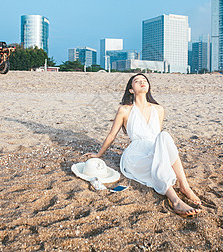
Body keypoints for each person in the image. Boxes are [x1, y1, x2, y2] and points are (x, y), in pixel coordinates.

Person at [85, 73, 202, 217]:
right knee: (156, 164)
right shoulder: (125, 110)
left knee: (164, 136)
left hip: (154, 148)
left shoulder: (158, 109)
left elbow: (158, 137)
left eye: (144, 80)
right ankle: (175, 200)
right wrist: (98, 154)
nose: (142, 82)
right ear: (131, 90)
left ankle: (184, 186)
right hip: (136, 155)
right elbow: (112, 135)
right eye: (137, 81)